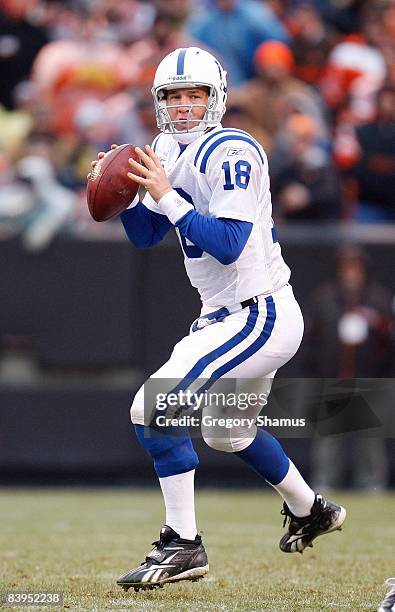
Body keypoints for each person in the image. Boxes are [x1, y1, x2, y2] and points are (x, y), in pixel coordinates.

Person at [91, 47, 346, 592]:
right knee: (228, 432)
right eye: (172, 97)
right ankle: (312, 510)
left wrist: (165, 195)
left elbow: (230, 246)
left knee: (154, 407)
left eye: (194, 95)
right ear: (158, 103)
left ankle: (182, 543)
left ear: (216, 98)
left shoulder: (233, 149)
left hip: (260, 312)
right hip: (229, 315)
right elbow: (145, 236)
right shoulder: (162, 148)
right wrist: (124, 194)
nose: (183, 107)